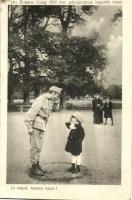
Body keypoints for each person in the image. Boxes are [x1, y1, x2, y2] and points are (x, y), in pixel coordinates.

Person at [24, 86, 62, 176]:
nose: (58, 97)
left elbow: (55, 110)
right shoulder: (41, 99)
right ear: (53, 93)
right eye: (57, 95)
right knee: (35, 146)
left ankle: (37, 165)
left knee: (39, 146)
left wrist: (56, 103)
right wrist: (29, 127)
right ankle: (34, 167)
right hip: (36, 125)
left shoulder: (51, 100)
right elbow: (31, 113)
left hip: (42, 125)